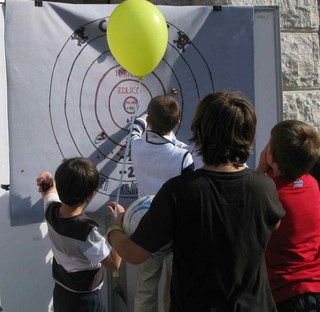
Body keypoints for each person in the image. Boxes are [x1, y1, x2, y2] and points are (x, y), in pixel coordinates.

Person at [106, 91, 285, 312]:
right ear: (249, 135)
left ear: (198, 132)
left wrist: (114, 227)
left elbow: (134, 254)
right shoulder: (264, 187)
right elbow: (274, 223)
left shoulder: (178, 192)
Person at [129, 94, 195, 312]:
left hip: (147, 226)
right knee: (173, 290)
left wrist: (144, 116)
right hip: (176, 232)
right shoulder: (184, 156)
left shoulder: (136, 147)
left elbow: (135, 129)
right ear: (177, 123)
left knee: (146, 289)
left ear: (149, 121)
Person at [36, 157, 122, 312]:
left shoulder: (50, 210)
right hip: (86, 300)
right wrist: (118, 227)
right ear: (90, 195)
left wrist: (47, 178)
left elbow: (49, 192)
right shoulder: (88, 232)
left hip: (62, 291)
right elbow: (114, 263)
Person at [256, 119, 320, 312]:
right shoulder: (312, 185)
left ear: (272, 157)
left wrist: (260, 170)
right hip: (314, 288)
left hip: (284, 294)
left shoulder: (266, 191)